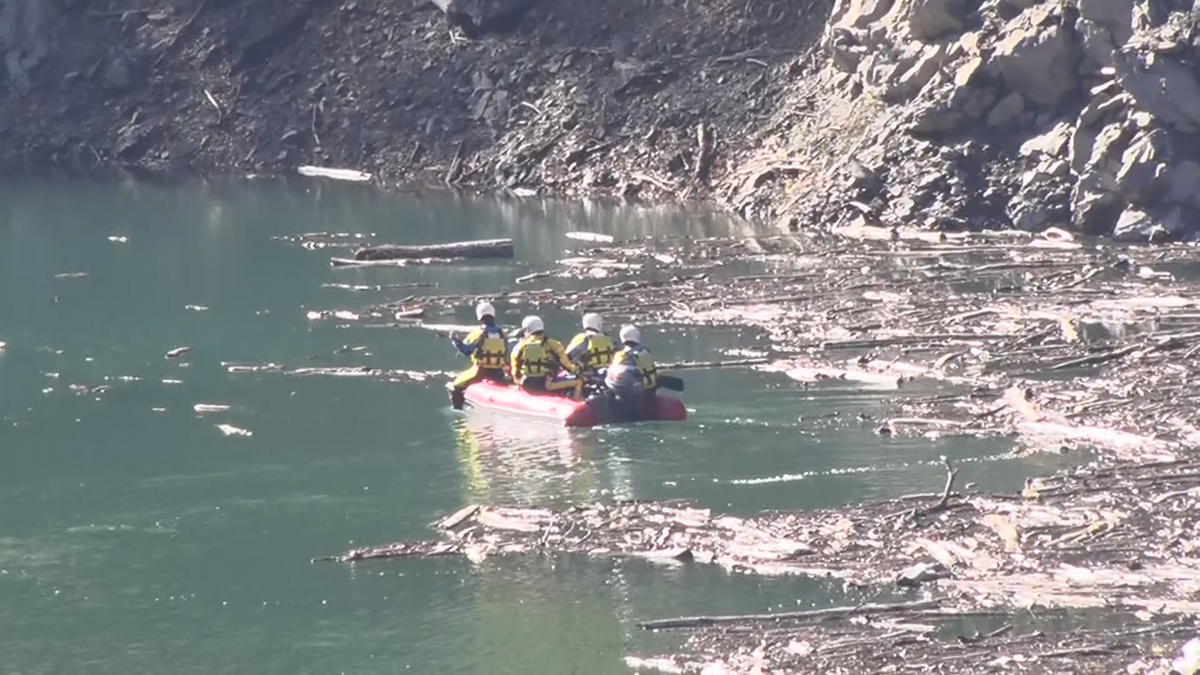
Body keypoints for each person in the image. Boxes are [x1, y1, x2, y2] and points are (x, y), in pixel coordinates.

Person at [448, 301, 509, 409]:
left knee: (455, 386)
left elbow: (466, 351)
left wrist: (455, 341)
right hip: (499, 371)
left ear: (479, 316)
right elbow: (505, 352)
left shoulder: (478, 333)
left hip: (481, 371)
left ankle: (458, 409)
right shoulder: (502, 333)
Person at [511, 315, 581, 398]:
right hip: (546, 384)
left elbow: (515, 368)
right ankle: (577, 401)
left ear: (527, 330)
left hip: (526, 384)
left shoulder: (519, 346)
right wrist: (577, 371)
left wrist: (517, 380)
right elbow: (566, 365)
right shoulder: (554, 344)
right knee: (579, 382)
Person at [605, 324, 658, 419]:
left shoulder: (621, 355)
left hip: (630, 396)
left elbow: (613, 377)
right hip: (650, 391)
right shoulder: (646, 351)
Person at [566, 312, 615, 379]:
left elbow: (567, 356)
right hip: (607, 373)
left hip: (588, 375)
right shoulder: (608, 338)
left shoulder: (583, 338)